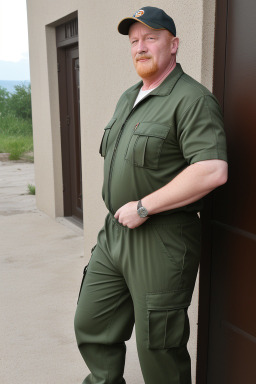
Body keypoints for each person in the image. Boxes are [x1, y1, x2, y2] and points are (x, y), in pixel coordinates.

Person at [74, 6, 228, 384]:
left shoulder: (192, 99)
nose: (141, 47)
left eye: (151, 38)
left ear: (173, 45)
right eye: (134, 41)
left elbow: (212, 169)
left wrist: (144, 206)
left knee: (158, 347)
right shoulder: (130, 97)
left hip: (161, 236)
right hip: (115, 234)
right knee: (92, 321)